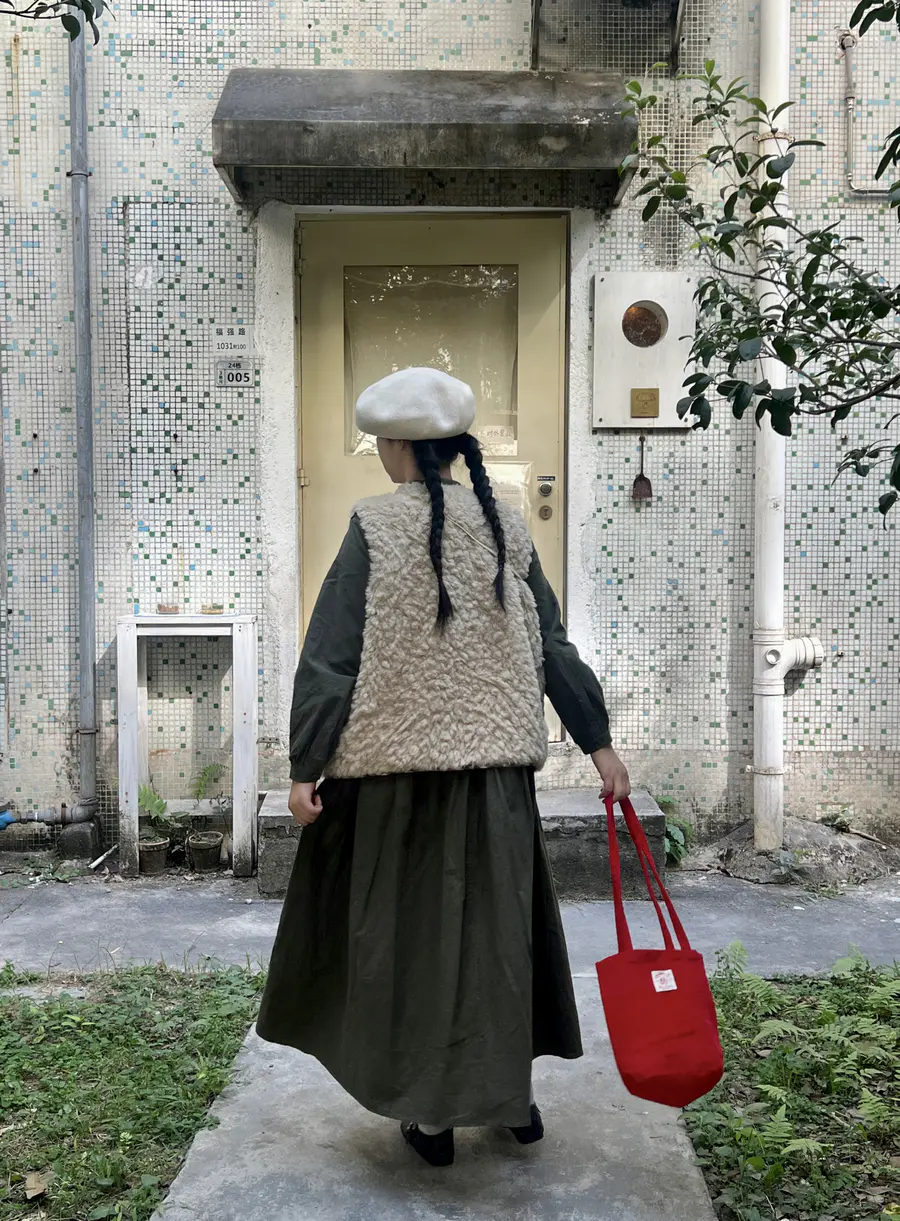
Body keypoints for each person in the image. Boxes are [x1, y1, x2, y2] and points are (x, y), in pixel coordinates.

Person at [256, 366, 630, 1168]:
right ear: (457, 449)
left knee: (416, 940)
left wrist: (306, 763)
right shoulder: (507, 528)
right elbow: (552, 645)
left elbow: (331, 655)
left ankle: (431, 1117)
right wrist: (598, 742)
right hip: (496, 784)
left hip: (397, 783)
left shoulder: (373, 527)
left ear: (396, 447)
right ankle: (510, 1097)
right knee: (498, 940)